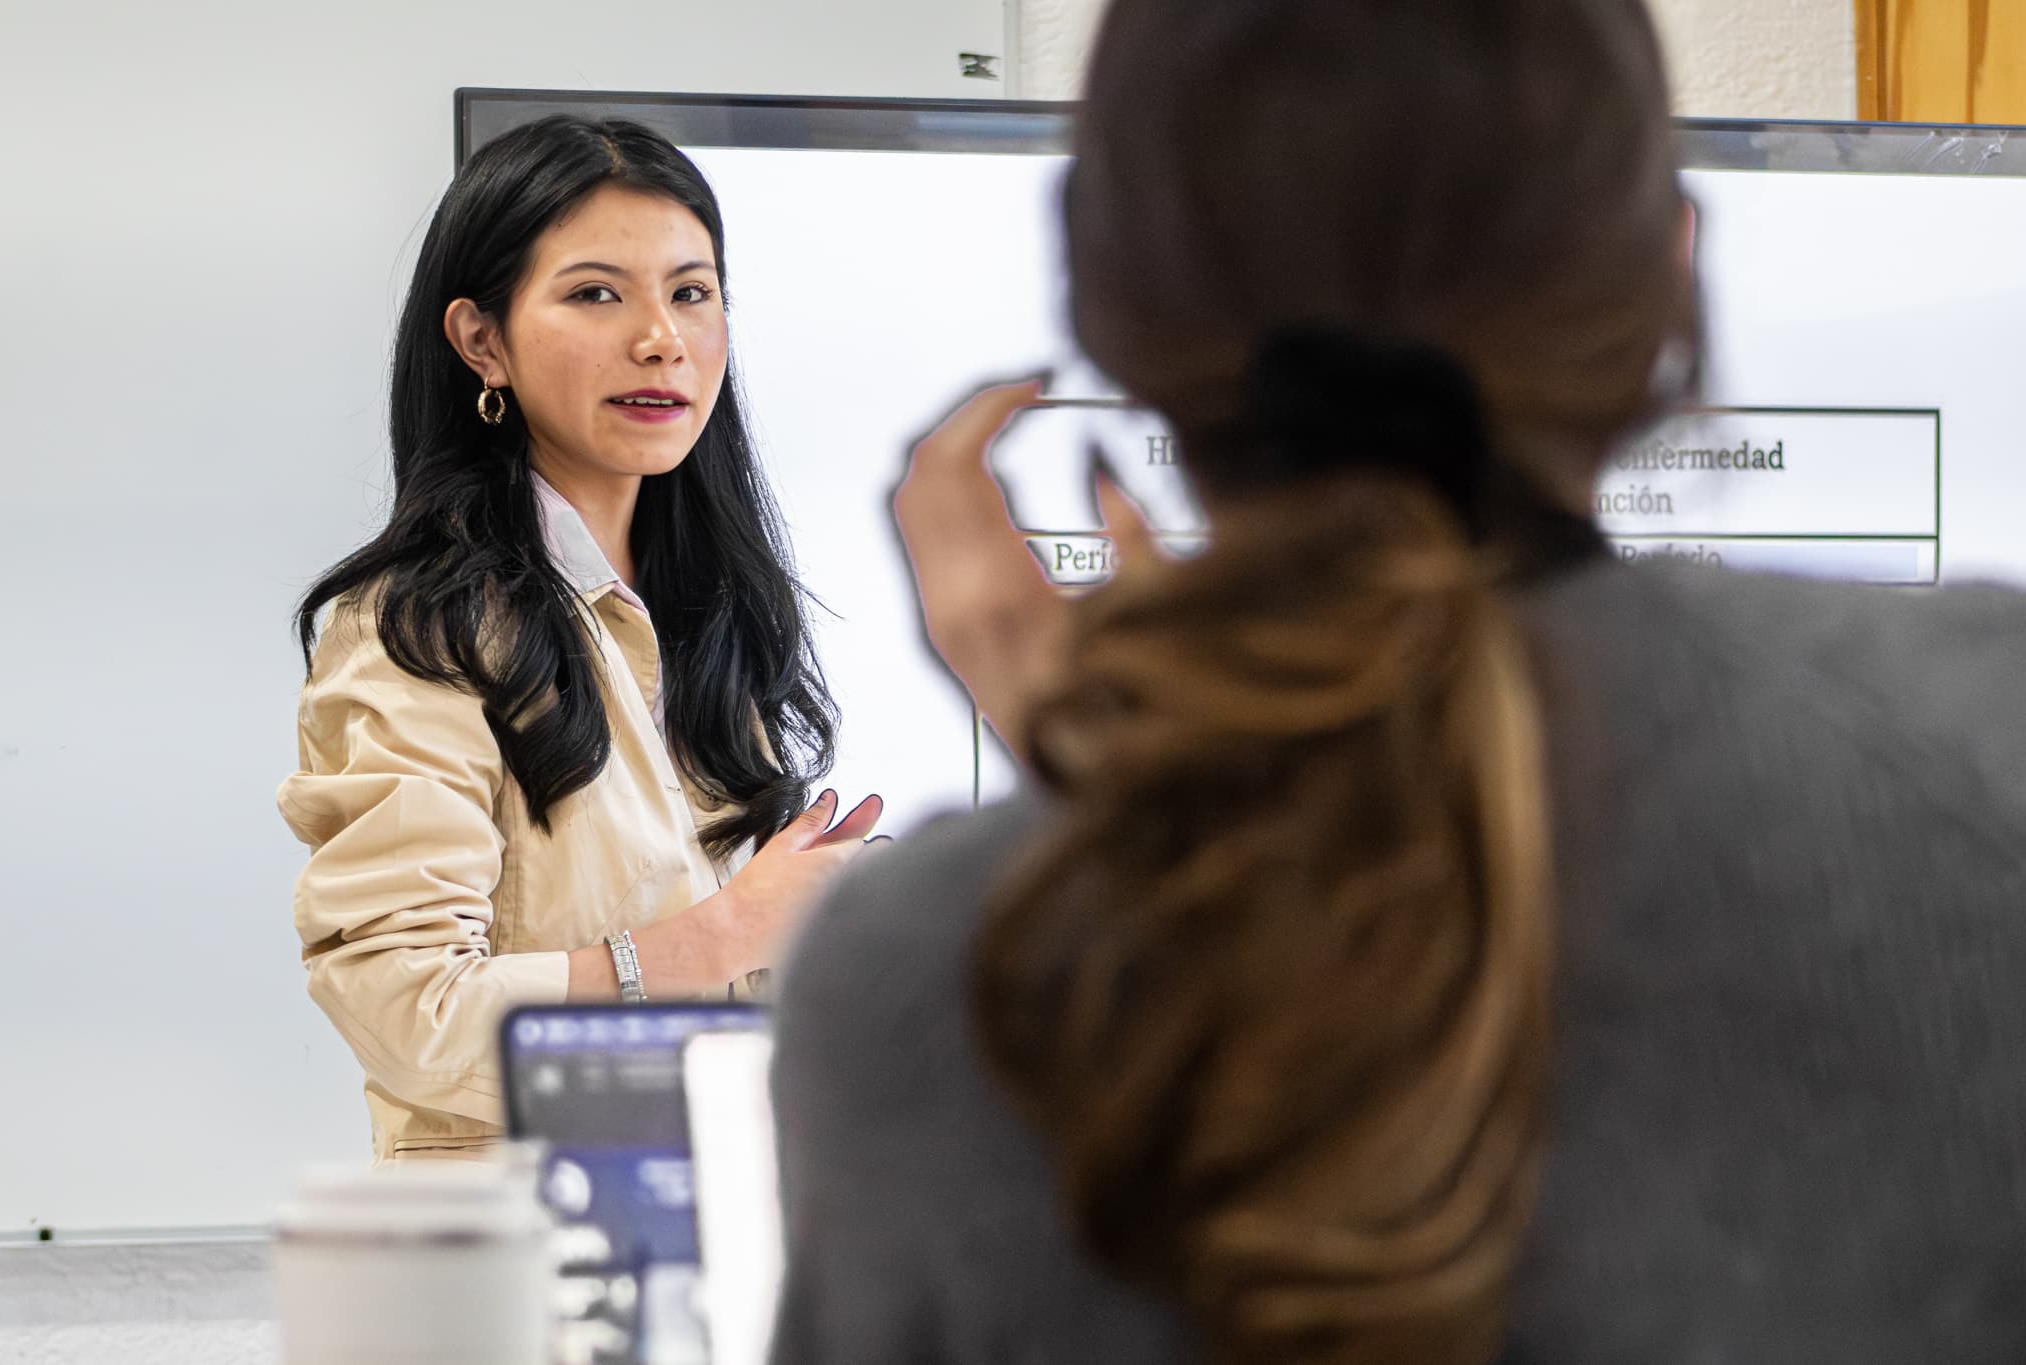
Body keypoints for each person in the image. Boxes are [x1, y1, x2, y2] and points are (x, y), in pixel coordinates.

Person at [767, 0, 2026, 1360]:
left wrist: (1120, 800)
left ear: (1093, 290)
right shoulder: (1984, 756)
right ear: (1672, 267)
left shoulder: (940, 970)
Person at [279, 116, 881, 1162]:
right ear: (480, 340)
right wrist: (729, 932)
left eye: (691, 292)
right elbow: (405, 1009)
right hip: (521, 1265)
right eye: (596, 293)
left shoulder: (707, 610)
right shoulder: (420, 628)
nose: (661, 337)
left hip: (721, 1230)